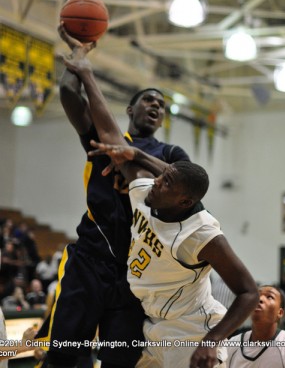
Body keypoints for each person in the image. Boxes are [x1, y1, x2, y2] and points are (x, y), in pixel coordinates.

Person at [62, 48, 259, 368]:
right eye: (159, 176)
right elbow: (112, 135)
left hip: (192, 332)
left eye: (165, 181)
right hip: (152, 325)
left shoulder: (202, 232)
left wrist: (212, 342)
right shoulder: (145, 193)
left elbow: (249, 291)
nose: (155, 182)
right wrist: (85, 71)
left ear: (183, 201)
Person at [35, 25, 191, 368]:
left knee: (121, 359)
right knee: (63, 354)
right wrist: (78, 57)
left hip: (137, 270)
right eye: (148, 100)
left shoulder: (169, 153)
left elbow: (186, 183)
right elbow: (70, 95)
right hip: (90, 258)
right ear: (130, 110)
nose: (156, 106)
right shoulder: (104, 140)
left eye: (161, 105)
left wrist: (134, 157)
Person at [226, 285, 285, 367]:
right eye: (257, 295)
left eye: (269, 297)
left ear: (280, 312)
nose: (260, 299)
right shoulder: (232, 344)